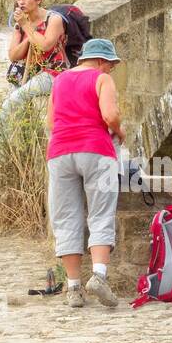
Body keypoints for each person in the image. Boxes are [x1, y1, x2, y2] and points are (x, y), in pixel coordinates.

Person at [46, 38, 125, 308]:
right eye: (110, 65)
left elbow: (51, 122)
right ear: (101, 61)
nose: (110, 70)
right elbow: (110, 115)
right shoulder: (101, 80)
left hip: (59, 152)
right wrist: (120, 131)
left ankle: (73, 288)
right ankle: (99, 277)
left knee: (66, 216)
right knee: (100, 213)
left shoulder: (59, 81)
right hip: (95, 148)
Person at [1, 0, 69, 121]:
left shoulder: (53, 19)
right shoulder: (20, 25)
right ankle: (12, 142)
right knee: (15, 114)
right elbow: (13, 56)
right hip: (28, 72)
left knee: (10, 104)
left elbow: (45, 45)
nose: (21, 3)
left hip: (52, 72)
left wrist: (27, 27)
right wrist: (28, 36)